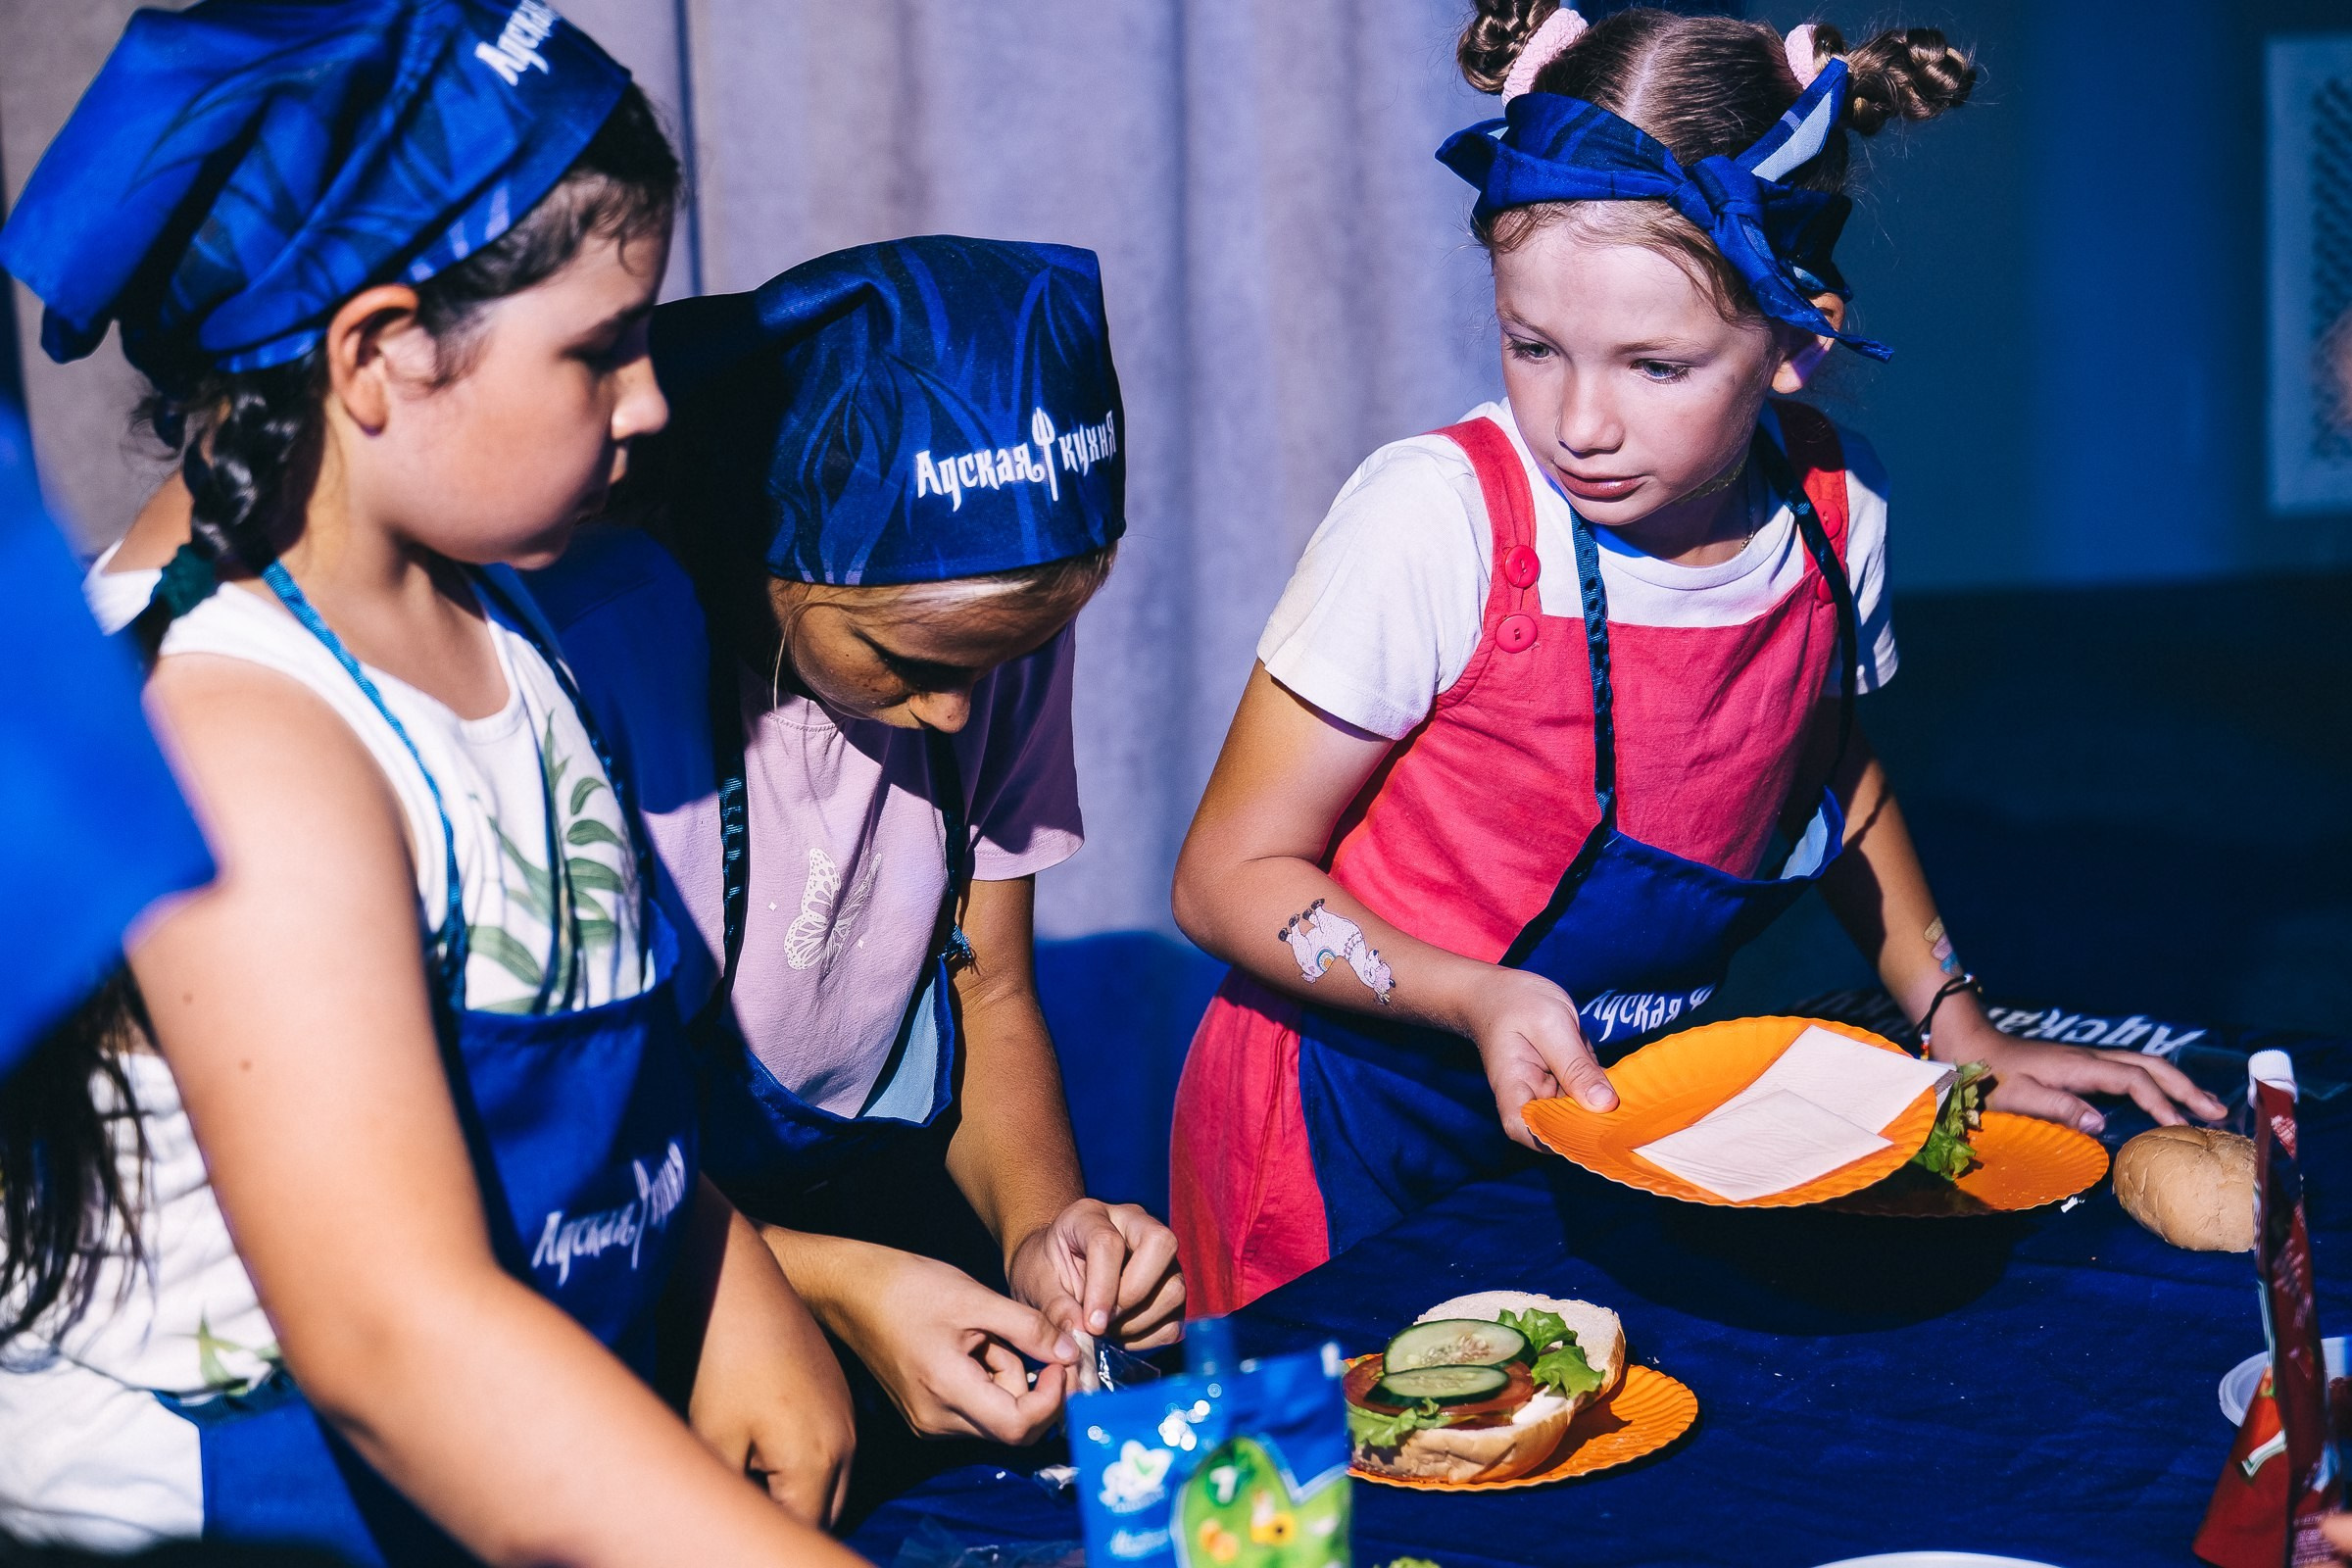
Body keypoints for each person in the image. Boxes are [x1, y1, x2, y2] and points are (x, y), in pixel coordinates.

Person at [1165, 3, 2227, 1314]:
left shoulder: (1838, 516)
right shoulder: (1436, 521)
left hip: (1610, 1114)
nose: (1580, 421)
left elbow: (1834, 773)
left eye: (1654, 364)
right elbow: (1225, 878)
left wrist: (1956, 1022)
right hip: (1343, 1127)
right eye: (1530, 345)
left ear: (1797, 340)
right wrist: (1476, 1000)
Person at [0, 4, 859, 1562]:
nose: (652, 401)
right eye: (599, 351)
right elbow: (399, 1344)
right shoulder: (231, 735)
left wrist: (737, 1292)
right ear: (381, 356)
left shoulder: (505, 621)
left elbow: (575, 1088)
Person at [527, 235, 1184, 1470]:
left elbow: (988, 989)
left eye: (1002, 663)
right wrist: (830, 1291)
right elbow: (562, 1146)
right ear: (768, 555)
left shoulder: (991, 634)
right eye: (917, 666)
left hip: (875, 1210)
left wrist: (1045, 1230)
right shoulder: (597, 662)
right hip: (631, 1242)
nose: (958, 712)